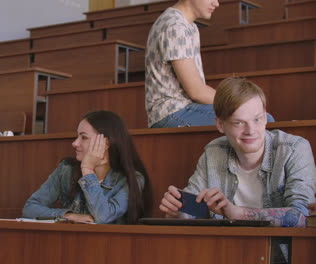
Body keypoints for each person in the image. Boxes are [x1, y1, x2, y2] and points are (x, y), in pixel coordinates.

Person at [159, 77, 316, 227]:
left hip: (277, 252)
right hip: (227, 249)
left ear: (266, 118)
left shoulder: (294, 149)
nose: (251, 131)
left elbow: (303, 216)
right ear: (220, 124)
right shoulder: (214, 152)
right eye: (239, 123)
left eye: (257, 119)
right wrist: (178, 213)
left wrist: (237, 213)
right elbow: (192, 208)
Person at [22, 110, 152, 224]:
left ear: (106, 143)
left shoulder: (132, 179)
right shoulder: (66, 170)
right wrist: (69, 216)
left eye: (83, 137)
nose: (74, 143)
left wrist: (88, 170)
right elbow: (30, 208)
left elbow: (103, 216)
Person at [145, 0, 220, 128]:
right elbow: (197, 92)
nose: (216, 3)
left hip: (186, 109)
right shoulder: (175, 26)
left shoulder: (189, 26)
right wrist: (237, 103)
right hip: (172, 112)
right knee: (255, 119)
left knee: (252, 118)